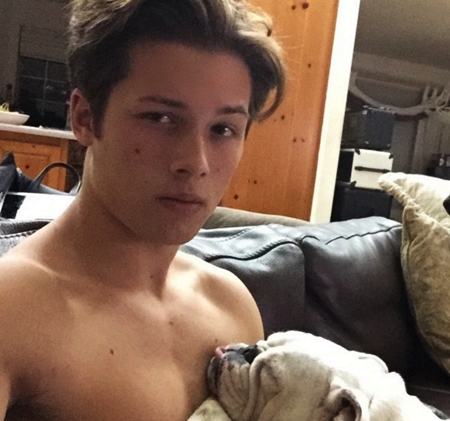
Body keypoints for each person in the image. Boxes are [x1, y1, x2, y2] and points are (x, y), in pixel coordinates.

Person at [0, 0, 285, 419]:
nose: (196, 162)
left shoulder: (231, 307)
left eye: (223, 129)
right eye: (160, 118)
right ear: (84, 118)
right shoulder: (13, 310)